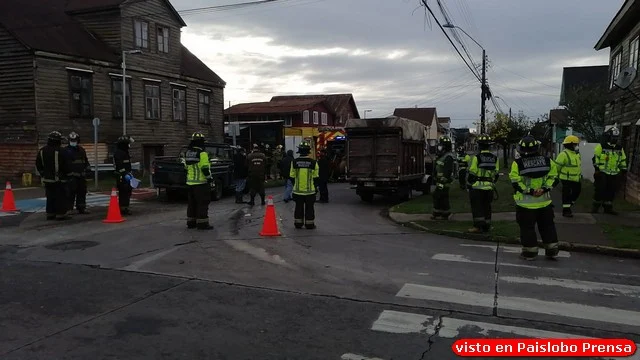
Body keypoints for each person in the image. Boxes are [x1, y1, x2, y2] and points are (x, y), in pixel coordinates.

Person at [509, 134, 559, 261]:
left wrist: (530, 191)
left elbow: (515, 182)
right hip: (544, 203)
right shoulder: (548, 161)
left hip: (525, 205)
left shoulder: (517, 163)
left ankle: (530, 253)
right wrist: (544, 189)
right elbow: (554, 178)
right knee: (548, 226)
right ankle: (552, 249)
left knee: (527, 228)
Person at [466, 134, 499, 233]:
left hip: (477, 188)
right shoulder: (495, 158)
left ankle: (478, 227)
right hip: (489, 188)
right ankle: (487, 226)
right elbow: (496, 174)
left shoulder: (477, 157)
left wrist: (469, 184)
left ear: (479, 146)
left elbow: (472, 173)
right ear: (489, 146)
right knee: (487, 207)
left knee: (477, 208)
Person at [36, 131, 71, 220]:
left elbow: (38, 164)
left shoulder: (42, 150)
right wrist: (68, 175)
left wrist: (43, 174)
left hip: (47, 179)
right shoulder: (61, 151)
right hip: (59, 179)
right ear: (57, 141)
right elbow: (66, 165)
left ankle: (50, 213)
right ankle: (60, 214)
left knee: (50, 196)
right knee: (61, 197)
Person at [592, 127, 627, 215]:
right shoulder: (601, 146)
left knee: (611, 191)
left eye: (616, 138)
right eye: (613, 137)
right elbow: (596, 158)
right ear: (609, 137)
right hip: (602, 172)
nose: (614, 139)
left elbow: (623, 159)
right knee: (600, 190)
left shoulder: (619, 148)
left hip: (614, 173)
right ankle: (595, 208)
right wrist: (597, 170)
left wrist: (623, 170)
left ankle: (608, 208)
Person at [183, 132, 213, 230]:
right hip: (201, 183)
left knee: (192, 204)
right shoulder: (202, 153)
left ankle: (191, 222)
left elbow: (186, 167)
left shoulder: (187, 152)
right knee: (202, 203)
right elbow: (204, 168)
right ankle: (202, 224)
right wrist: (209, 179)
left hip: (190, 183)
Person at [289, 141, 319, 229]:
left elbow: (292, 176)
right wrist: (315, 188)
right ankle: (309, 224)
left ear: (299, 151)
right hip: (310, 191)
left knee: (298, 208)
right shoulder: (313, 162)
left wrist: (296, 185)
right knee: (310, 208)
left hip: (298, 191)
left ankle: (298, 223)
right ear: (308, 151)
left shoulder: (294, 162)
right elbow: (316, 177)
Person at [554, 135, 582, 217]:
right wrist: (555, 177)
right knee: (566, 194)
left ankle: (569, 204)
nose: (577, 146)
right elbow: (556, 167)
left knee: (577, 192)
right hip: (566, 179)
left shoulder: (577, 154)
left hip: (576, 179)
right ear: (570, 145)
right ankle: (566, 211)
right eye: (575, 144)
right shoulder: (563, 154)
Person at [65, 131, 91, 214]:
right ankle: (69, 209)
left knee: (82, 192)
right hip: (71, 176)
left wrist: (88, 168)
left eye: (75, 140)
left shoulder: (81, 150)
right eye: (72, 141)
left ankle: (81, 207)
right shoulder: (65, 151)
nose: (73, 142)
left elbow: (85, 161)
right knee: (70, 193)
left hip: (81, 176)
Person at [431, 136, 455, 220]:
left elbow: (447, 171)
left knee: (439, 195)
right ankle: (440, 213)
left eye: (440, 145)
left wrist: (443, 180)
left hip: (444, 181)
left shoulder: (448, 157)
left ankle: (444, 213)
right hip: (440, 180)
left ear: (445, 146)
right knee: (440, 196)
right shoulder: (442, 156)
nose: (439, 147)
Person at [113, 135, 134, 215]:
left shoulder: (125, 152)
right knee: (123, 192)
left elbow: (127, 164)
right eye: (128, 143)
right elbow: (119, 166)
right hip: (121, 176)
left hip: (127, 174)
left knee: (128, 191)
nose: (129, 145)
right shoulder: (119, 153)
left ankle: (125, 207)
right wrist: (125, 174)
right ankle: (122, 209)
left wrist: (130, 173)